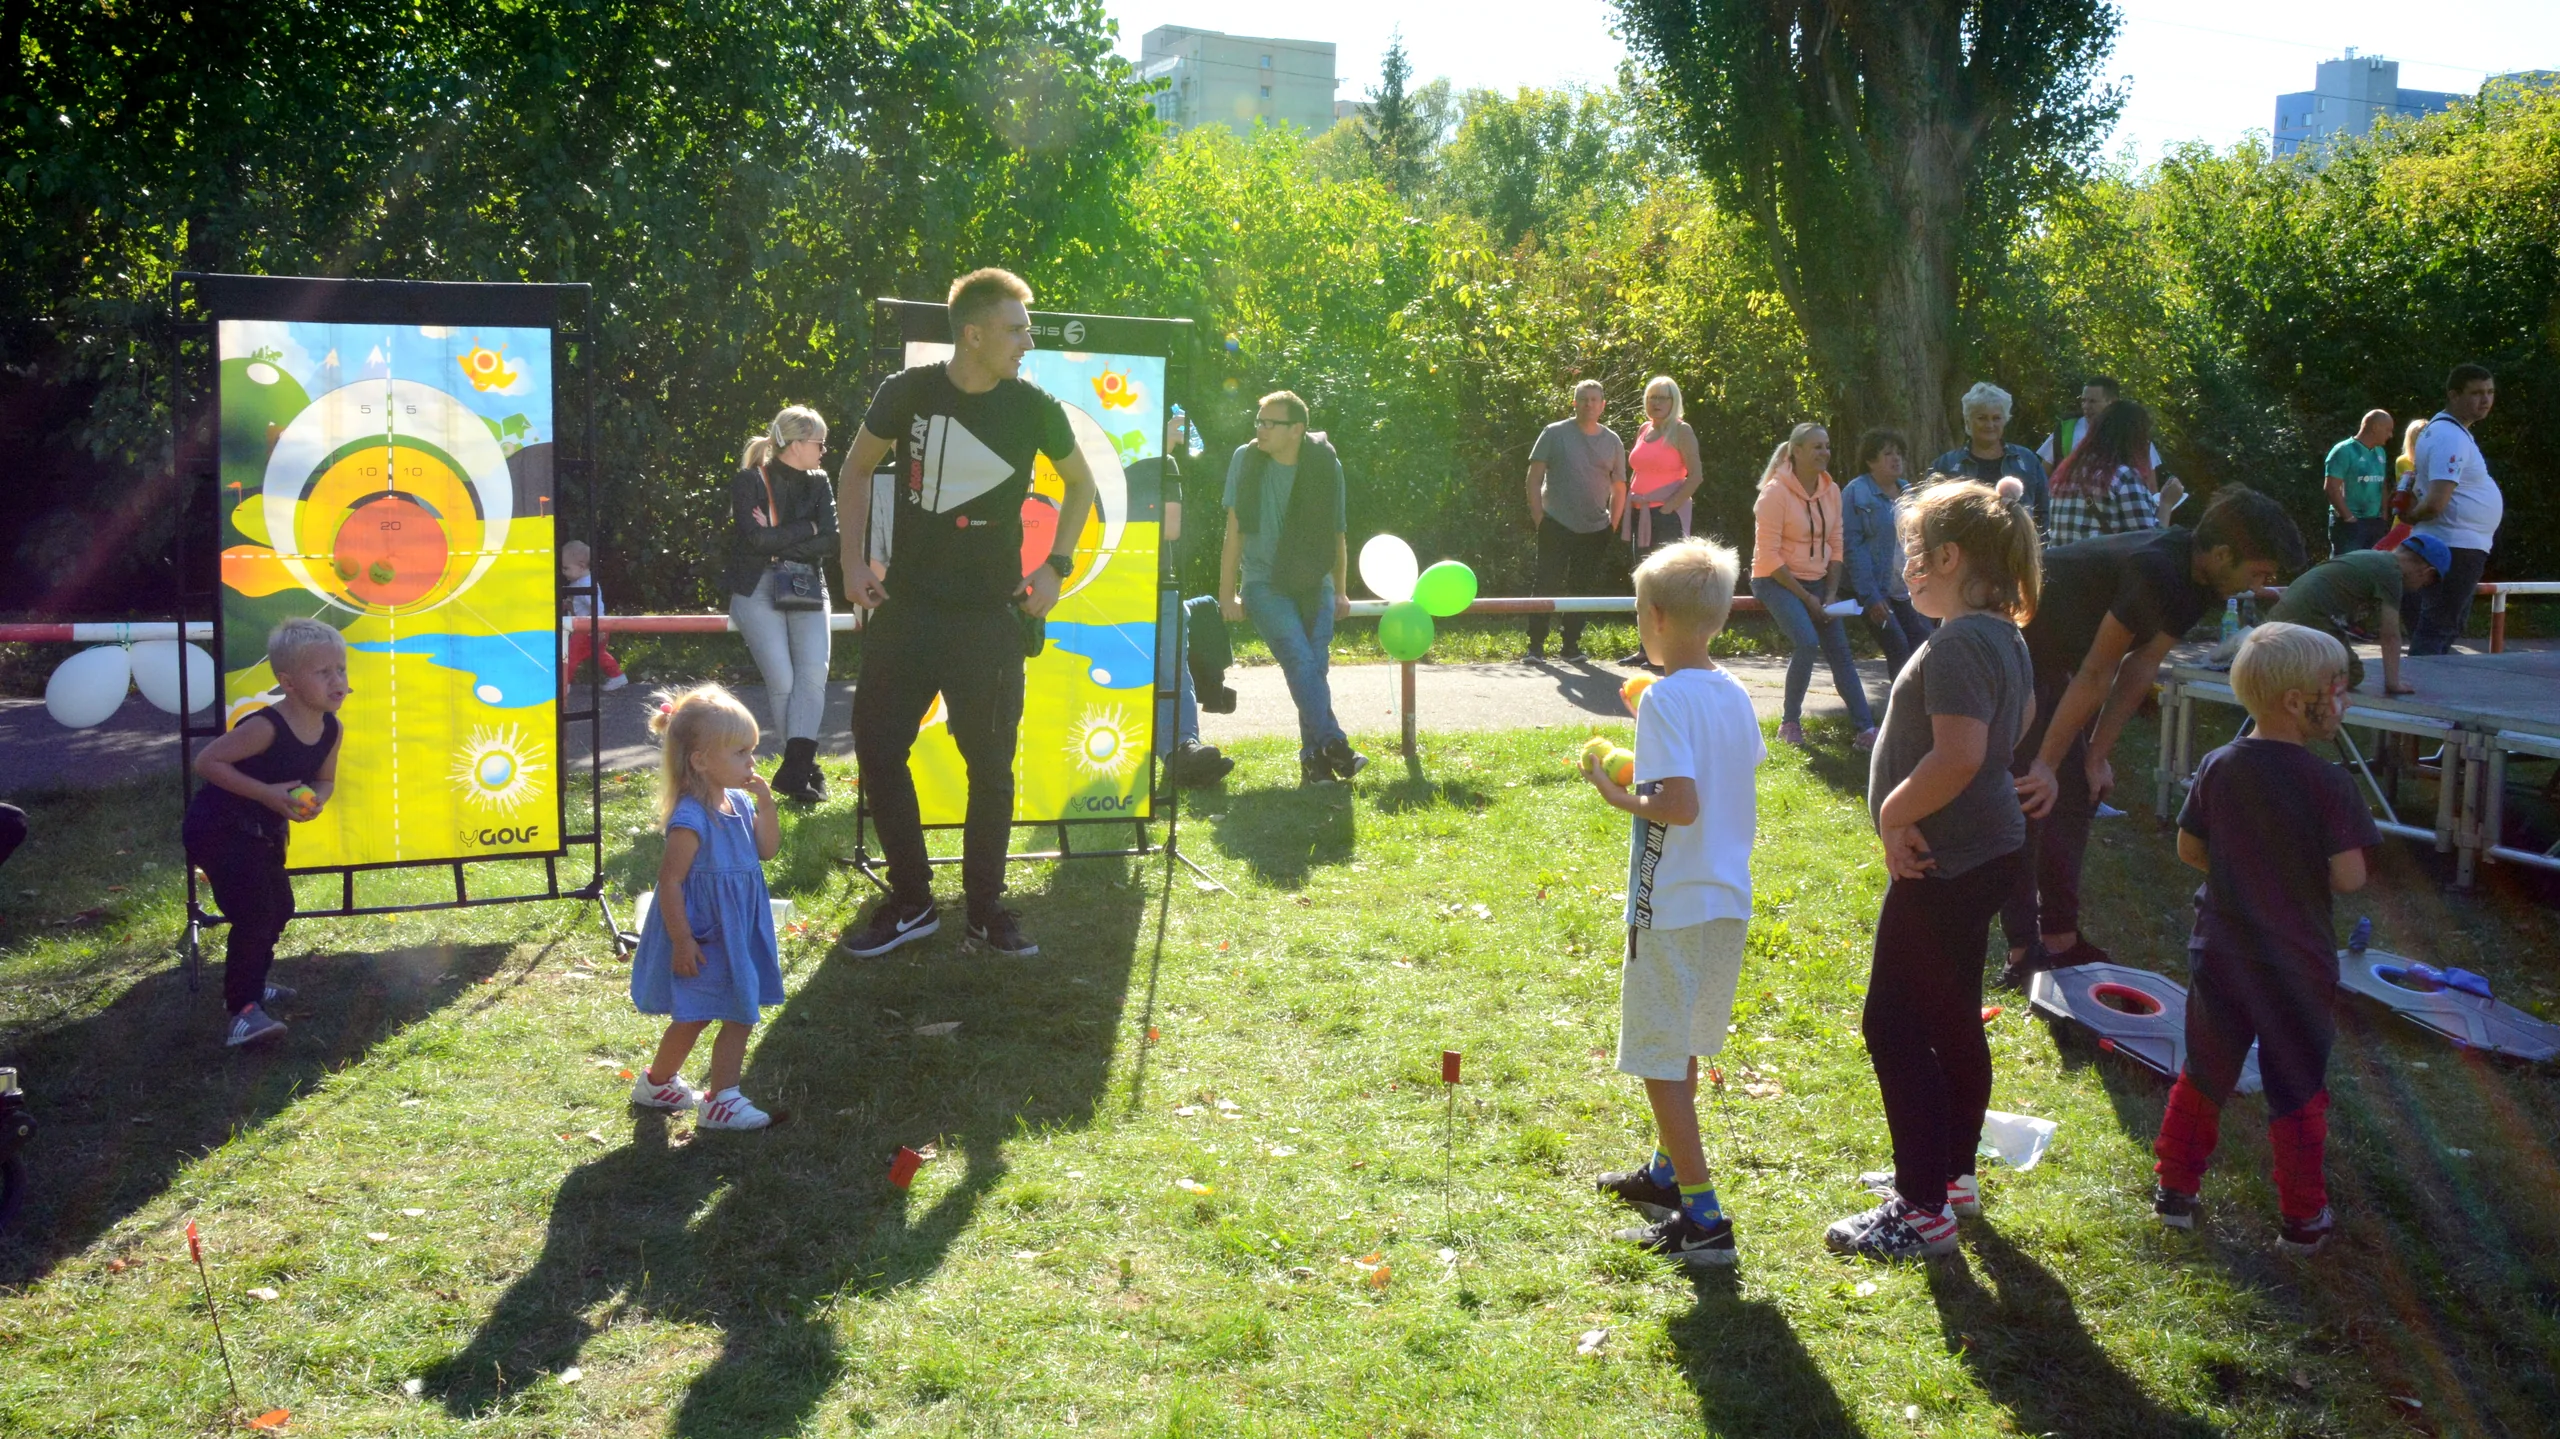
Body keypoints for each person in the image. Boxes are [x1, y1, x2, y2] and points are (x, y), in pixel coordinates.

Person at [834, 268, 1099, 960]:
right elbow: (855, 469)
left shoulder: (1032, 405)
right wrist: (852, 562)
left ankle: (986, 911)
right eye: (1016, 329)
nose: (1027, 342)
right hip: (909, 610)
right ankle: (913, 899)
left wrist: (1056, 567)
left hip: (989, 617)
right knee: (880, 745)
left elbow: (1081, 484)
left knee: (990, 764)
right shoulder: (909, 392)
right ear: (974, 334)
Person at [1828, 478, 2041, 1261]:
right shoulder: (2002, 634)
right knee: (1951, 1017)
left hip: (1943, 863)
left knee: (1892, 1024)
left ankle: (1921, 1209)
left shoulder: (1956, 643)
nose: (1905, 566)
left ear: (1950, 557)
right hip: (1988, 852)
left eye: (1915, 553)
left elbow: (1962, 753)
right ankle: (1950, 1177)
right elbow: (2013, 726)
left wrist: (1894, 814)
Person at [2005, 485, 2305, 986]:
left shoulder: (2201, 580)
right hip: (2014, 651)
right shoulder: (2158, 569)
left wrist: (2094, 756)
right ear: (2223, 553)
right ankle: (2022, 951)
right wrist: (2045, 764)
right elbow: (2098, 672)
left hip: (2060, 662)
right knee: (2030, 799)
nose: (2261, 586)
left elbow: (2141, 666)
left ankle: (2059, 937)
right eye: (2260, 572)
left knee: (2075, 795)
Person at [2152, 623, 2377, 1256]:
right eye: (2337, 689)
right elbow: (2350, 878)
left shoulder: (2218, 765)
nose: (2344, 701)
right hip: (2296, 964)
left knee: (2205, 1071)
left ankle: (2174, 1190)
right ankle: (2303, 1218)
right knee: (2296, 1085)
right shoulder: (2329, 783)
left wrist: (2242, 873)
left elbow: (2189, 848)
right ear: (2293, 700)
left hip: (2219, 949)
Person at [1582, 536, 1764, 1268]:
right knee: (1681, 1043)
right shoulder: (1735, 689)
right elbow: (1727, 773)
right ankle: (1665, 1174)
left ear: (1653, 616)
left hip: (1670, 907)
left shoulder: (1661, 698)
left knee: (1660, 1059)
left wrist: (1616, 790)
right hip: (1725, 899)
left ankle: (1705, 1216)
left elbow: (1678, 805)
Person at [627, 684, 785, 1132]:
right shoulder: (691, 817)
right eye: (740, 753)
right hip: (705, 934)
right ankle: (722, 1101)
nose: (751, 763)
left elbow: (767, 850)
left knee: (725, 1009)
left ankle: (658, 1085)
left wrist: (766, 804)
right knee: (714, 1013)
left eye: (752, 751)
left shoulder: (736, 801)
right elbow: (670, 881)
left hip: (738, 929)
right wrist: (681, 940)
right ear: (701, 760)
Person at [185, 618, 348, 1047]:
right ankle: (243, 1011)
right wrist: (268, 793)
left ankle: (253, 980)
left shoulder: (331, 727)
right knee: (256, 912)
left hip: (262, 831)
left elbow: (325, 779)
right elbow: (207, 763)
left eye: (341, 669)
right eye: (324, 672)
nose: (338, 681)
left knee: (280, 908)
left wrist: (313, 798)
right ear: (289, 683)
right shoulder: (265, 727)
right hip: (218, 829)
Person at [1219, 390, 1365, 786]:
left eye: (1270, 423)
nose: (1260, 430)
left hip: (1312, 578)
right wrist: (1226, 594)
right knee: (1300, 661)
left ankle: (1314, 761)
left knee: (1313, 667)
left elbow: (1338, 531)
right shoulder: (1245, 460)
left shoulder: (1323, 463)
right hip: (1264, 582)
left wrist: (1339, 589)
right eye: (1259, 422)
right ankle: (1336, 743)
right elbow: (1233, 533)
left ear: (1296, 430)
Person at [727, 405, 841, 805]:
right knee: (784, 682)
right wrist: (804, 529)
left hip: (807, 582)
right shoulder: (747, 481)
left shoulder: (820, 480)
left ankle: (794, 770)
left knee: (813, 675)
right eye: (819, 443)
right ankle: (807, 770)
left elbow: (831, 540)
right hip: (756, 585)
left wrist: (777, 533)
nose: (824, 450)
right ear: (795, 445)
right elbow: (754, 542)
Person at [1751, 423, 1878, 750]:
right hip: (1775, 579)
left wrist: (1831, 593)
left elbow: (1836, 544)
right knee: (1807, 642)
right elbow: (1768, 556)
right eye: (1817, 447)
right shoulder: (1775, 493)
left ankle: (1866, 729)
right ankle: (1789, 722)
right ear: (1796, 452)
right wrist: (1808, 598)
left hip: (1820, 583)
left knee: (1840, 651)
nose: (1825, 453)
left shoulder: (1831, 490)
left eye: (1827, 446)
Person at [1147, 412, 1233, 787]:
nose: (1182, 428)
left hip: (1157, 581)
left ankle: (1183, 749)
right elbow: (1168, 525)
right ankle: (1177, 751)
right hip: (1111, 582)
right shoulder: (1131, 460)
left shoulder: (1164, 465)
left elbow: (1170, 529)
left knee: (1172, 665)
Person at [2265, 533, 2445, 695]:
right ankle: (2281, 673)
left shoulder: (2373, 558)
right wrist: (2393, 683)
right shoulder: (2392, 574)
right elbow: (2390, 635)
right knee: (2351, 673)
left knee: (2341, 661)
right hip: (2308, 619)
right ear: (2427, 572)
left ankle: (2277, 660)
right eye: (2427, 583)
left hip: (2282, 615)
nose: (2421, 588)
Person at [1524, 380, 1627, 662]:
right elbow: (1533, 479)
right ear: (1574, 403)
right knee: (1546, 582)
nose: (1589, 404)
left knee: (1582, 587)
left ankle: (1570, 647)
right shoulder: (1554, 433)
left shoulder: (1613, 441)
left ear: (1603, 405)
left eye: (1595, 400)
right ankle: (1535, 647)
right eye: (1583, 399)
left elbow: (1619, 487)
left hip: (1595, 528)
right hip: (1555, 523)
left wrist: (1612, 524)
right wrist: (1539, 518)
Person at [2402, 364, 2502, 656]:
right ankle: (2426, 691)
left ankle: (2426, 687)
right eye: (2476, 393)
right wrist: (2411, 517)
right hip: (2454, 544)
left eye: (2490, 392)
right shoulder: (2450, 436)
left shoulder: (2449, 431)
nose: (2485, 400)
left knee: (2442, 624)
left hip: (2455, 541)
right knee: (2439, 625)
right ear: (2453, 395)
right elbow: (2435, 503)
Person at [1618, 378, 1706, 668]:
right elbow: (1638, 470)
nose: (1656, 402)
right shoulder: (1645, 430)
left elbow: (1695, 476)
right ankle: (1647, 649)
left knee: (1668, 585)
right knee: (1645, 583)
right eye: (1651, 397)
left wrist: (1669, 507)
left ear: (1674, 401)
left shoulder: (1682, 431)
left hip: (1666, 516)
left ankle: (1668, 653)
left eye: (1663, 398)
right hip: (1640, 514)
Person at [1841, 428, 1935, 677]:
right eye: (1888, 454)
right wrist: (1871, 597)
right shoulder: (1856, 492)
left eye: (1899, 454)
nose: (1896, 459)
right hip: (1874, 590)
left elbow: (1919, 542)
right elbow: (1852, 548)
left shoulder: (1908, 492)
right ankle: (1900, 713)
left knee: (1925, 642)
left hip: (1905, 588)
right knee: (1898, 646)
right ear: (1870, 461)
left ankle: (1924, 712)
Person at [2037, 375, 2182, 521]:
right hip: (2068, 516)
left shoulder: (2133, 438)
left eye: (2093, 401)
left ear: (2112, 403)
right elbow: (2042, 478)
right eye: (2083, 400)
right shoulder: (2065, 430)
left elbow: (2151, 487)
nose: (2086, 406)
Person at [2044, 399, 2165, 548]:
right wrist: (2166, 503)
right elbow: (2148, 542)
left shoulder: (2066, 473)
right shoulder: (2123, 476)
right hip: (2099, 569)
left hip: (2058, 567)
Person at [1929, 382, 2051, 528]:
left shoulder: (2027, 460)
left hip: (2018, 549)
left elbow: (2043, 512)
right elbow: (1930, 515)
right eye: (1982, 418)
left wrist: (2036, 548)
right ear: (1968, 420)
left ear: (2005, 420)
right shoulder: (1945, 465)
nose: (1990, 424)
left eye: (1996, 418)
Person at [2321, 409, 2395, 556]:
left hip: (2375, 522)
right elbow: (2331, 487)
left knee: (2369, 569)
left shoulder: (2380, 452)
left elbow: (2382, 484)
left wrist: (2384, 515)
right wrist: (2348, 517)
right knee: (2345, 570)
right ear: (2375, 427)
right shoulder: (2343, 450)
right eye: (2388, 430)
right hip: (2349, 523)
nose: (2390, 435)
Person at [560, 540, 627, 691]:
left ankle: (565, 684)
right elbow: (576, 604)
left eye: (566, 568)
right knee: (598, 654)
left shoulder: (585, 584)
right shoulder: (578, 582)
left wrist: (600, 627)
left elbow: (596, 607)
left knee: (570, 655)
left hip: (589, 628)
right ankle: (617, 676)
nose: (563, 572)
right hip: (589, 627)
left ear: (581, 566)